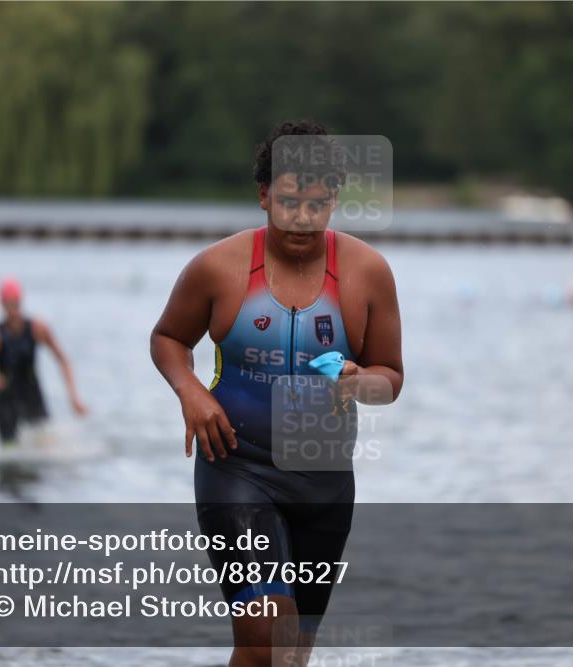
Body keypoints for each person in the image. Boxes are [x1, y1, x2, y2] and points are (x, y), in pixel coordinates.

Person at [151, 120, 403, 667]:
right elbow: (169, 338)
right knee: (265, 636)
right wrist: (189, 390)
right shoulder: (218, 267)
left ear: (334, 200)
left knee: (291, 654)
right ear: (264, 195)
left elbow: (392, 380)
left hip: (325, 483)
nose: (301, 218)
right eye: (288, 201)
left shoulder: (367, 274)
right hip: (235, 467)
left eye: (316, 205)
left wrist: (361, 382)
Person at [0, 277, 87, 445]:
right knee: (10, 450)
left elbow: (63, 361)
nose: (12, 310)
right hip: (6, 401)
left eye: (15, 304)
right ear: (1, 304)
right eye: (8, 305)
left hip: (32, 395)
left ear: (21, 302)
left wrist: (74, 398)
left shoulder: (38, 328)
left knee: (43, 446)